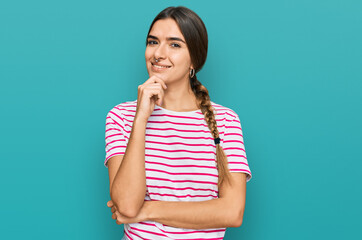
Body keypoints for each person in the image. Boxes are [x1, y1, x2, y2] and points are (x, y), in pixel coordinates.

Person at [104, 6, 252, 239]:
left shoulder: (225, 120)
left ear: (195, 58)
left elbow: (233, 211)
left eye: (174, 44)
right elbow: (127, 206)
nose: (158, 54)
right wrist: (141, 118)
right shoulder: (121, 117)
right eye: (153, 42)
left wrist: (149, 209)